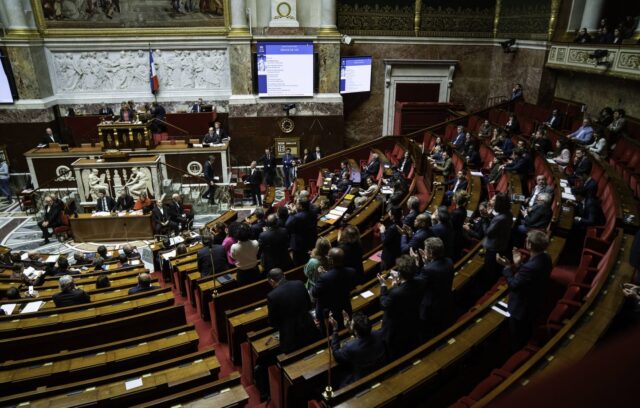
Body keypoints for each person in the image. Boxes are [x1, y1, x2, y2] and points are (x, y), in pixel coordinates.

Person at [496, 230, 552, 350]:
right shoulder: (546, 258)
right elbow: (529, 278)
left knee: (517, 337)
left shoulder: (530, 267)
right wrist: (518, 264)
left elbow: (514, 285)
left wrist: (507, 268)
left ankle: (517, 352)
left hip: (521, 308)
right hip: (535, 301)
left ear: (530, 245)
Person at [378, 254, 423, 358]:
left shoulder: (396, 293)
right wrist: (399, 285)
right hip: (412, 319)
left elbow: (383, 304)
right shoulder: (421, 282)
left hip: (396, 327)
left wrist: (383, 286)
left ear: (400, 273)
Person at [267, 268, 319, 354]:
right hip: (309, 329)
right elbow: (309, 305)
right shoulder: (299, 283)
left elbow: (272, 322)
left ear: (271, 281)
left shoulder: (272, 296)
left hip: (290, 337)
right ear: (284, 276)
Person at [328, 311, 387, 387]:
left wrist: (335, 330)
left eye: (351, 323)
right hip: (380, 371)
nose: (350, 322)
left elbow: (336, 354)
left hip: (363, 380)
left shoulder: (350, 347)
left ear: (356, 331)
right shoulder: (378, 334)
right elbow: (363, 339)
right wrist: (349, 328)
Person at [312, 248, 357, 334]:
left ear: (331, 260)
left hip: (329, 313)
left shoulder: (324, 278)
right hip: (345, 307)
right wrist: (326, 275)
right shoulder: (352, 272)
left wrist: (322, 275)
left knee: (329, 333)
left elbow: (314, 293)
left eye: (328, 257)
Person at [416, 237, 454, 339]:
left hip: (431, 305)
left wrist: (417, 263)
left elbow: (418, 284)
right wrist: (427, 261)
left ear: (431, 252)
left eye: (425, 249)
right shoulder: (449, 261)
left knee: (427, 331)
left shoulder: (428, 270)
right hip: (445, 300)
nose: (424, 250)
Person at [482, 193, 513, 288]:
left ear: (499, 204)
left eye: (494, 200)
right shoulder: (509, 214)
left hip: (493, 247)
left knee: (490, 271)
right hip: (502, 244)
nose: (492, 201)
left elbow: (488, 232)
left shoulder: (499, 218)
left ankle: (487, 287)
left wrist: (485, 219)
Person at [286, 197, 317, 265]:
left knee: (298, 261)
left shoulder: (297, 217)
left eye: (297, 204)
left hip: (299, 244)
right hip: (310, 240)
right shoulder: (313, 212)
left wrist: (292, 213)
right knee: (307, 257)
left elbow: (288, 225)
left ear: (301, 206)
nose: (295, 205)